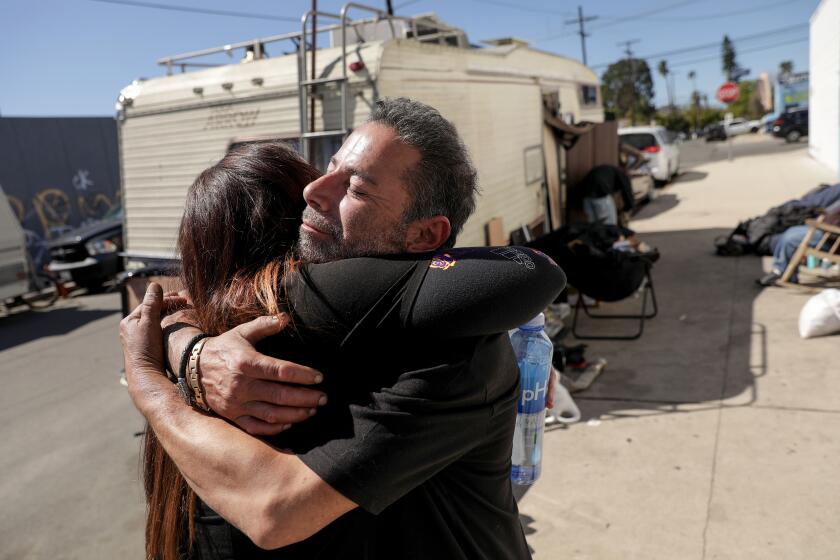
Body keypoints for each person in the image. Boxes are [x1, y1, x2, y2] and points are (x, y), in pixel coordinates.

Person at [123, 98, 566, 559]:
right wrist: (185, 342)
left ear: (425, 236)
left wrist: (159, 365)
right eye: (328, 166)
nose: (315, 188)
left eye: (356, 187)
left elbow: (274, 509)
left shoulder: (448, 349)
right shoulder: (260, 336)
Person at [757, 201, 840, 286]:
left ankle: (781, 271)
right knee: (790, 232)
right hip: (825, 230)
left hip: (831, 236)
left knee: (791, 238)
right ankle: (782, 270)